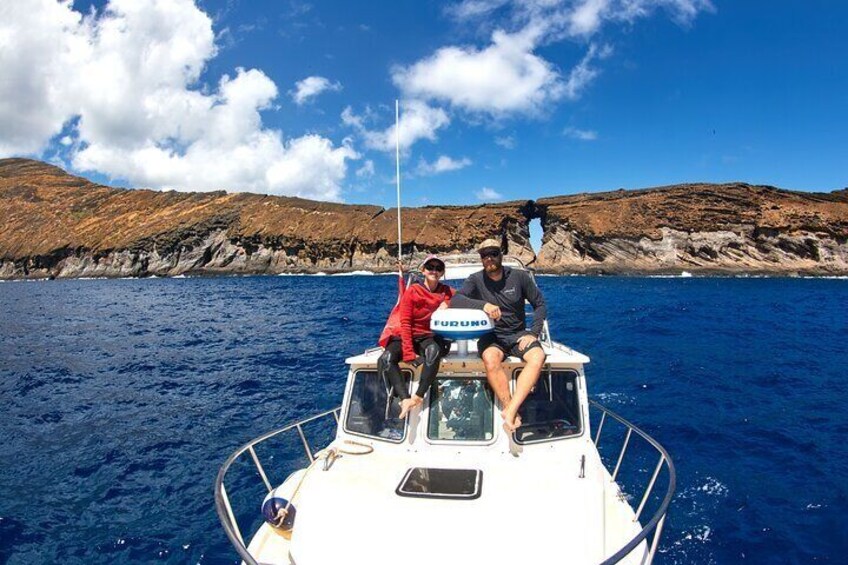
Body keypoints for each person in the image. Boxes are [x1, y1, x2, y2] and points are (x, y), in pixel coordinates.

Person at [451, 239, 547, 433]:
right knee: (490, 358)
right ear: (481, 259)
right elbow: (456, 299)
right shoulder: (475, 279)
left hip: (519, 334)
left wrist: (534, 333)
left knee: (538, 357)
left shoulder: (519, 277)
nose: (489, 258)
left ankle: (510, 411)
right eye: (484, 255)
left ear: (501, 254)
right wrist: (483, 305)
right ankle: (509, 407)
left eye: (493, 253)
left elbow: (539, 304)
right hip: (492, 336)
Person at [378, 255, 454, 419]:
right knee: (387, 358)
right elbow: (405, 323)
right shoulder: (412, 291)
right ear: (423, 271)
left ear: (442, 272)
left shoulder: (446, 291)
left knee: (433, 351)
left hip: (427, 336)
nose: (434, 271)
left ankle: (419, 396)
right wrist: (408, 352)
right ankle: (405, 398)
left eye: (438, 268)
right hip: (408, 335)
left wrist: (448, 303)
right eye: (430, 267)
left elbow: (462, 297)